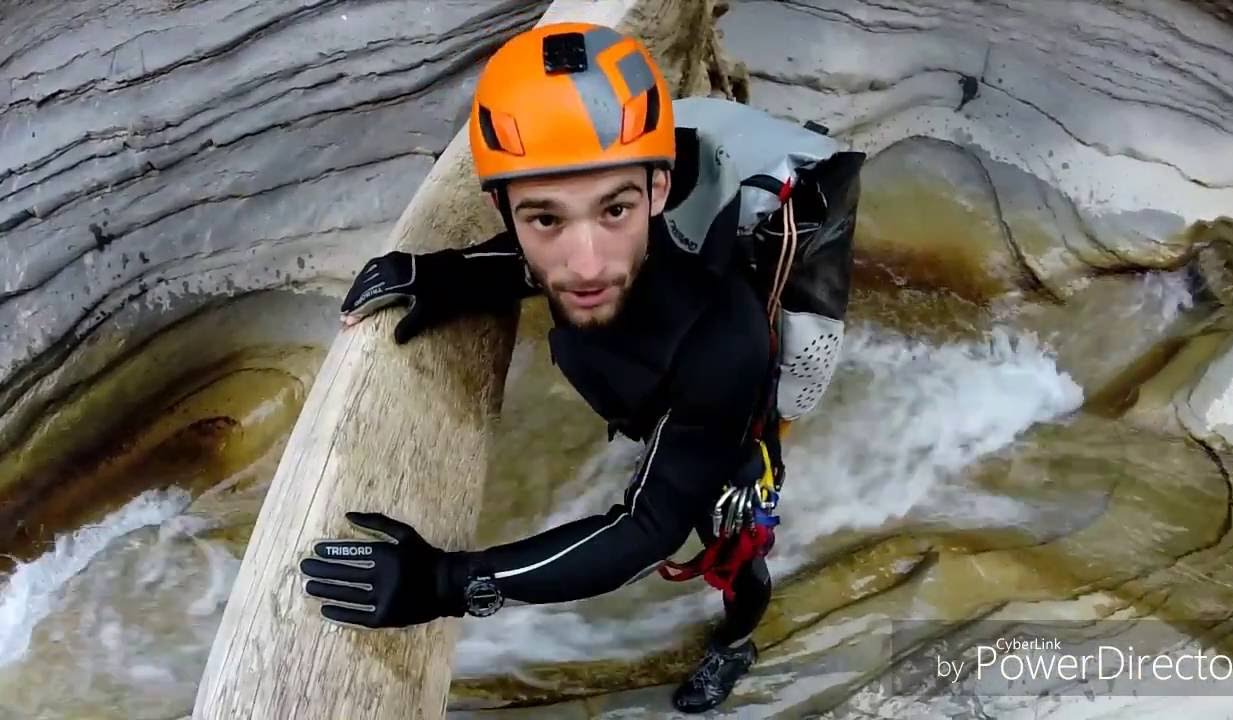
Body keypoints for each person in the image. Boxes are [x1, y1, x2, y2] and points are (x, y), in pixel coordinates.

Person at [298, 21, 863, 714]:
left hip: (726, 424)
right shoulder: (612, 231)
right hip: (659, 390)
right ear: (499, 207)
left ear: (659, 190)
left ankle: (737, 641)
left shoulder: (726, 338)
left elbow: (644, 529)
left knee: (735, 550)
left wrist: (449, 581)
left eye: (614, 209)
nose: (587, 262)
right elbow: (546, 262)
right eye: (544, 220)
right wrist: (442, 275)